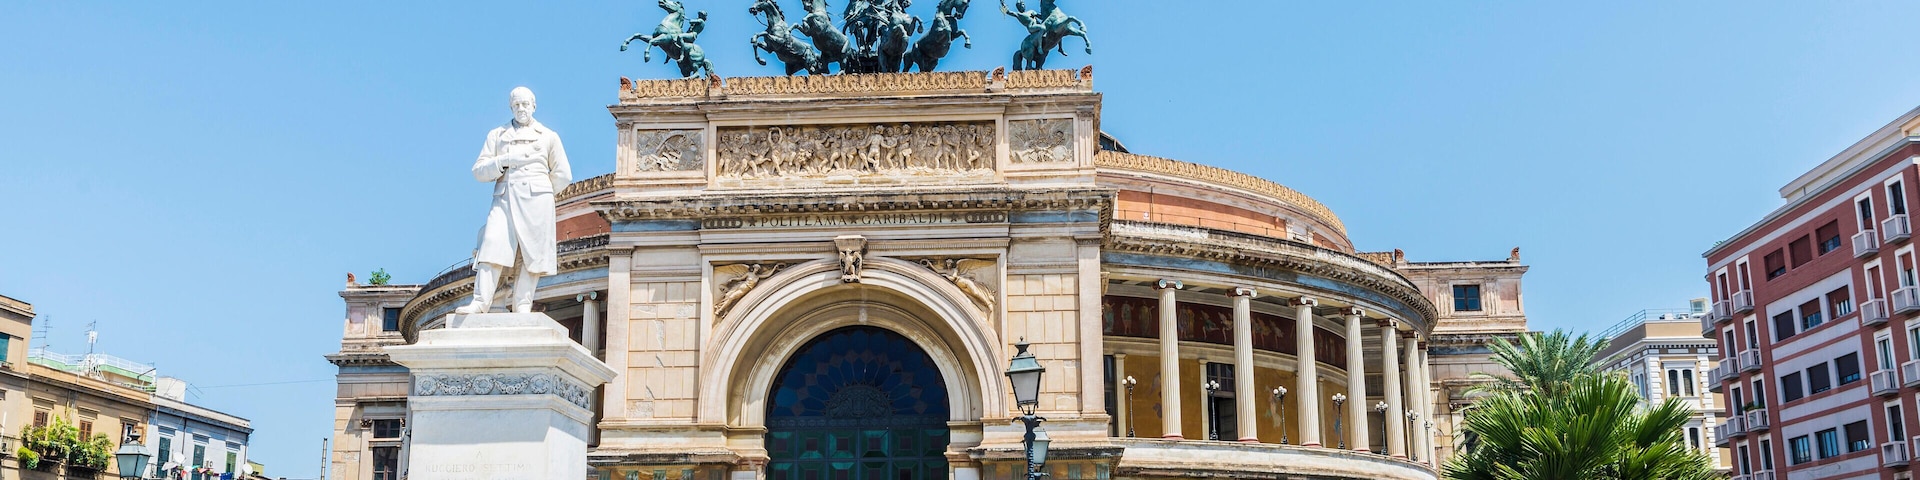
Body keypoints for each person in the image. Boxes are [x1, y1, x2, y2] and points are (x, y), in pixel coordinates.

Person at [455, 87, 572, 314]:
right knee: (491, 245)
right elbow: (478, 171)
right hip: (505, 198)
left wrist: (543, 192)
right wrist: (503, 160)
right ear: (510, 107)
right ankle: (480, 302)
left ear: (534, 106)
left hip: (537, 200)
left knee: (531, 254)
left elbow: (563, 174)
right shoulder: (497, 135)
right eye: (517, 105)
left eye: (525, 104)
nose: (521, 109)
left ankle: (523, 305)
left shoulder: (548, 136)